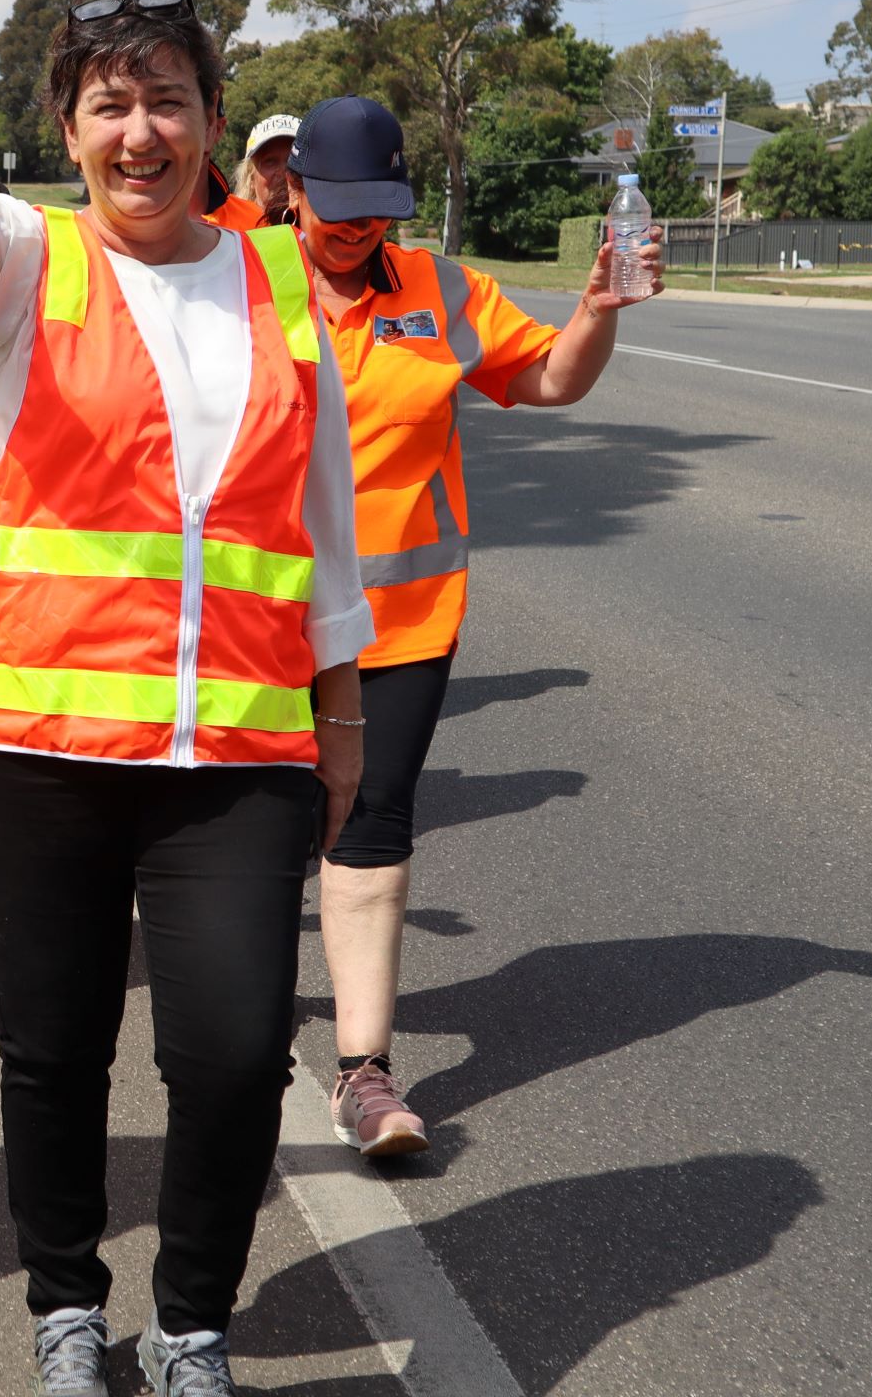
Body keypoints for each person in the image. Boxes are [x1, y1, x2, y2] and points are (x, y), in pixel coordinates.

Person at [0, 0, 372, 1397]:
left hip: (232, 755)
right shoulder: (13, 262)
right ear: (66, 127)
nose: (141, 130)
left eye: (168, 97)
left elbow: (320, 517)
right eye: (109, 103)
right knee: (53, 1056)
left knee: (238, 1054)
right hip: (39, 751)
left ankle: (191, 1323)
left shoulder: (275, 287)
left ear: (207, 120)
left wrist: (343, 697)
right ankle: (66, 1307)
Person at [285, 95, 661, 1159]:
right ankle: (244, 1021)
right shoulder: (239, 277)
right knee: (260, 821)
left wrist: (596, 308)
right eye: (337, 205)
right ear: (294, 187)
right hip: (256, 616)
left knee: (370, 820)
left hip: (402, 620)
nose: (357, 227)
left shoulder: (441, 289)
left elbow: (546, 379)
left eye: (377, 208)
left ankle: (363, 1071)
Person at [235, 113, 299, 228]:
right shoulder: (234, 237)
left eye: (292, 159)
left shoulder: (330, 231)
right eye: (270, 162)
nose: (284, 172)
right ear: (251, 178)